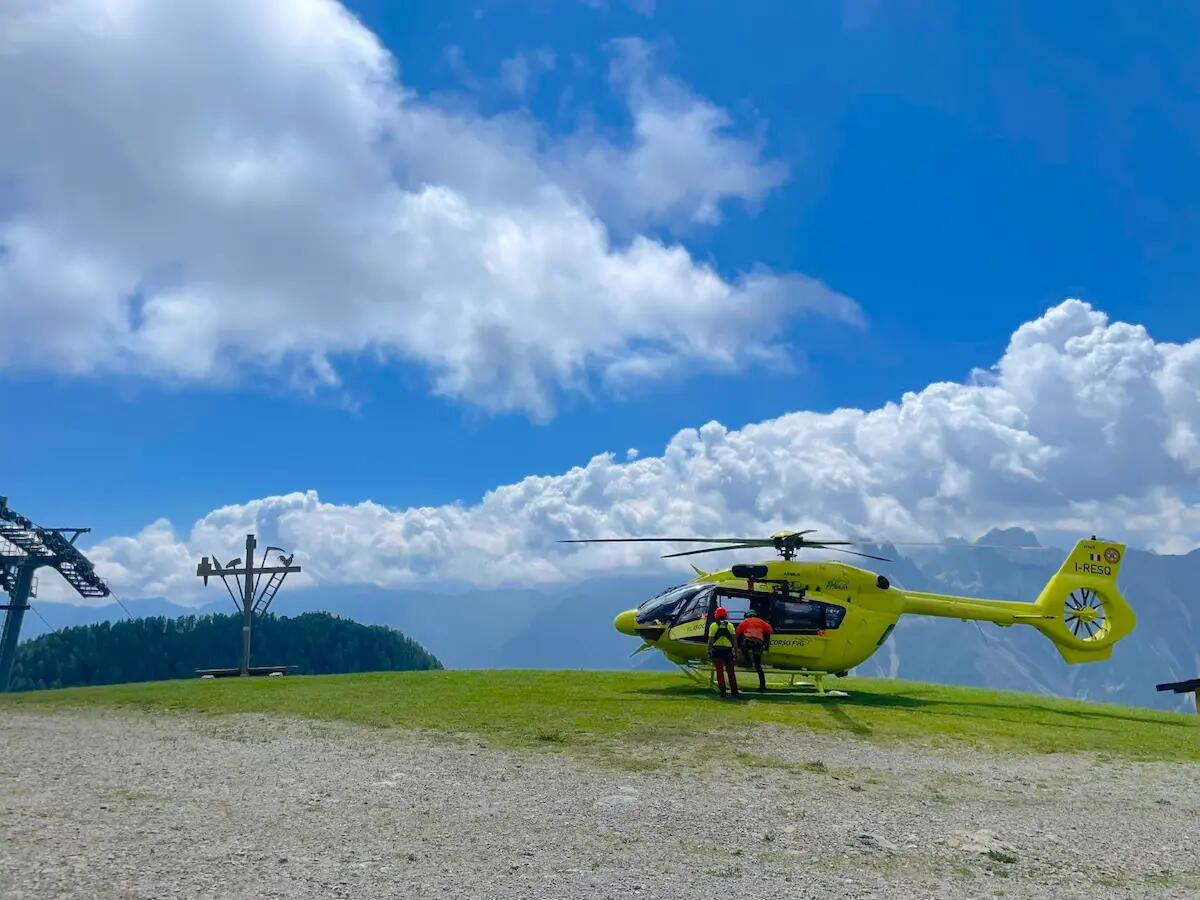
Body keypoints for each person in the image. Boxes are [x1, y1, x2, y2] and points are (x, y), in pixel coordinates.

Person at [736, 607, 774, 691]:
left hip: (748, 641)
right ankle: (762, 686)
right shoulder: (761, 621)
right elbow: (770, 631)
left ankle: (748, 661)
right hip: (759, 643)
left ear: (747, 615)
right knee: (758, 666)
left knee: (743, 648)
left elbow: (737, 633)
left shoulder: (745, 621)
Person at [706, 606, 740, 698]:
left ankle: (722, 691)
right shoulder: (730, 625)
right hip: (728, 651)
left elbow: (710, 640)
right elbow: (734, 640)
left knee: (719, 671)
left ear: (716, 615)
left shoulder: (713, 626)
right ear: (725, 615)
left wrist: (709, 651)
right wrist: (736, 652)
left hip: (717, 651)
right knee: (731, 672)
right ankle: (734, 691)